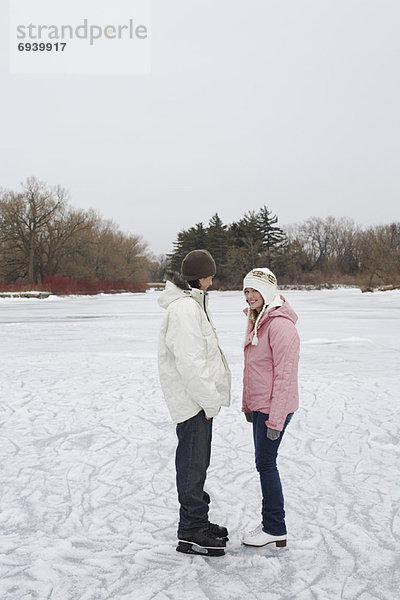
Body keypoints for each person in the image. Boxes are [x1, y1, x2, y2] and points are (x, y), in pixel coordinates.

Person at [158, 249, 231, 556]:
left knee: (197, 465)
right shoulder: (185, 310)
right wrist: (209, 401)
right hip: (194, 403)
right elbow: (191, 362)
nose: (212, 280)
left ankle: (197, 520)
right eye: (210, 275)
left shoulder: (192, 305)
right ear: (201, 276)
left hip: (198, 401)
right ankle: (190, 531)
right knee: (191, 465)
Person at [241, 267, 299, 548]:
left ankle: (275, 527)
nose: (250, 296)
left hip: (274, 409)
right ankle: (272, 525)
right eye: (247, 291)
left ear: (267, 292)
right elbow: (255, 369)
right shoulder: (258, 320)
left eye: (254, 291)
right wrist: (248, 404)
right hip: (262, 406)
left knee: (266, 464)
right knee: (264, 463)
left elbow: (285, 377)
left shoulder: (280, 326)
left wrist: (275, 421)